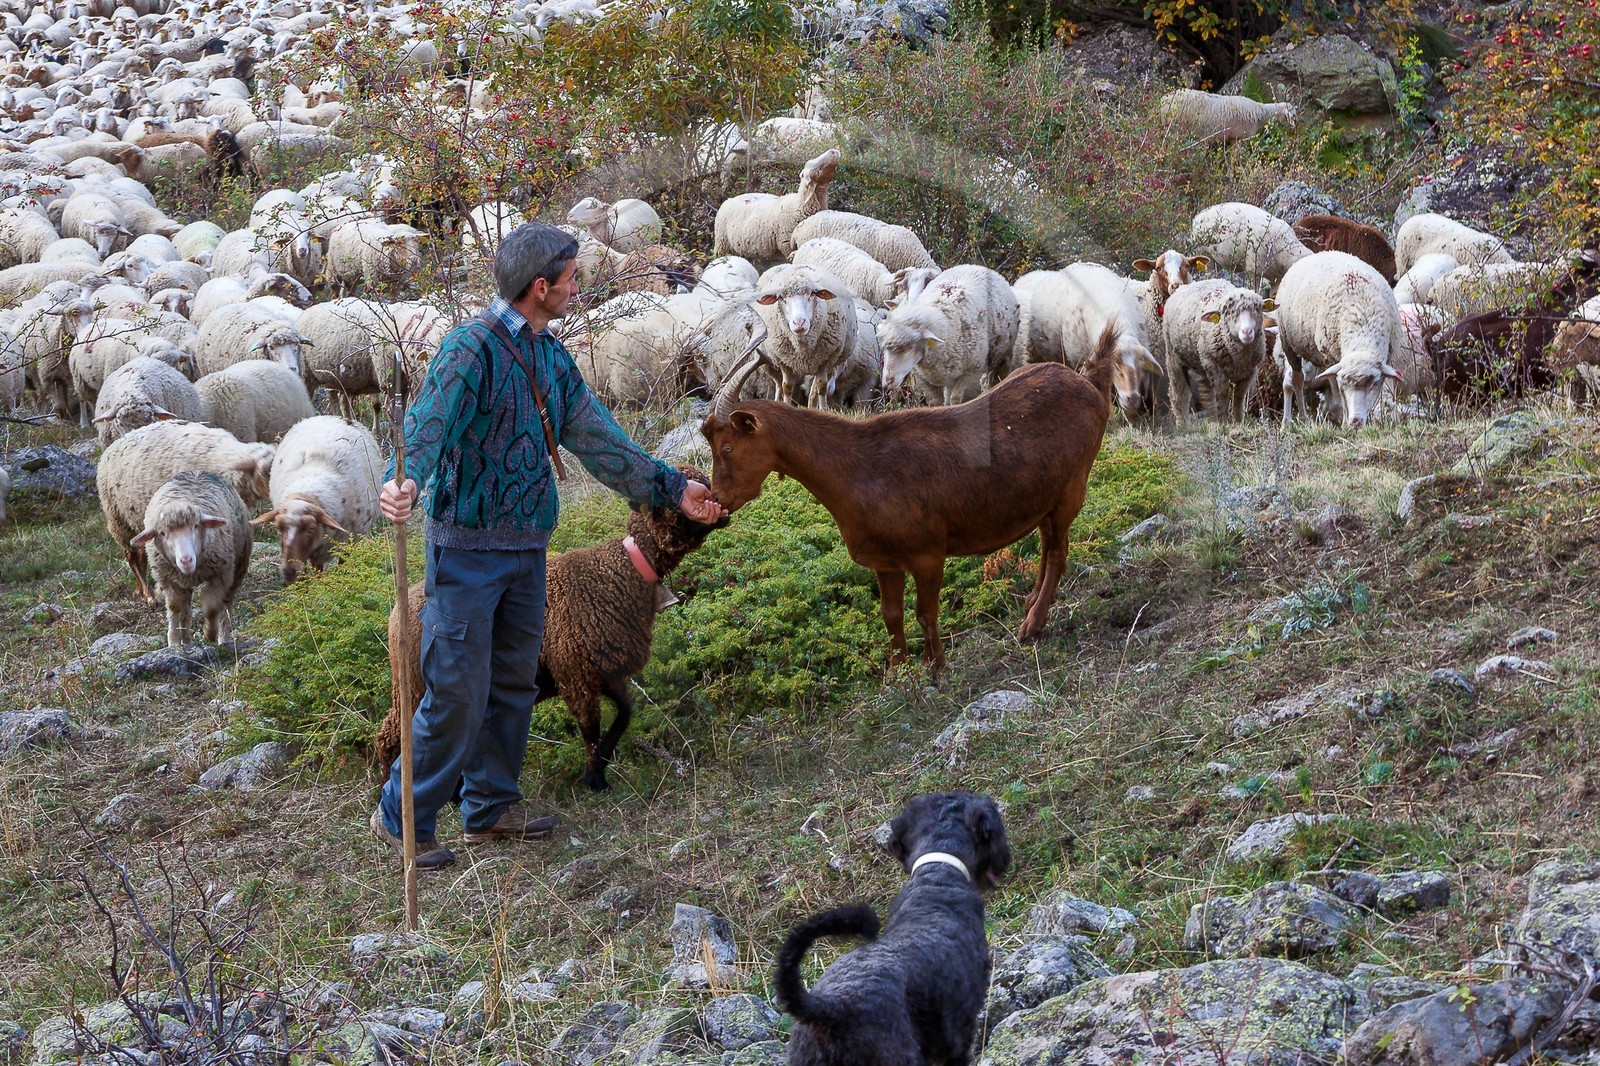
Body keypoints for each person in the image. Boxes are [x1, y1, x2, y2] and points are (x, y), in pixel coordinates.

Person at [371, 222, 726, 869]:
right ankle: (403, 814)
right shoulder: (468, 350)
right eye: (570, 278)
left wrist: (673, 489)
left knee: (512, 683)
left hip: (528, 552)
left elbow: (599, 441)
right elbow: (427, 422)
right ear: (542, 286)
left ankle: (490, 807)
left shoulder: (550, 358)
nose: (577, 287)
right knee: (456, 688)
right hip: (467, 552)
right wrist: (403, 481)